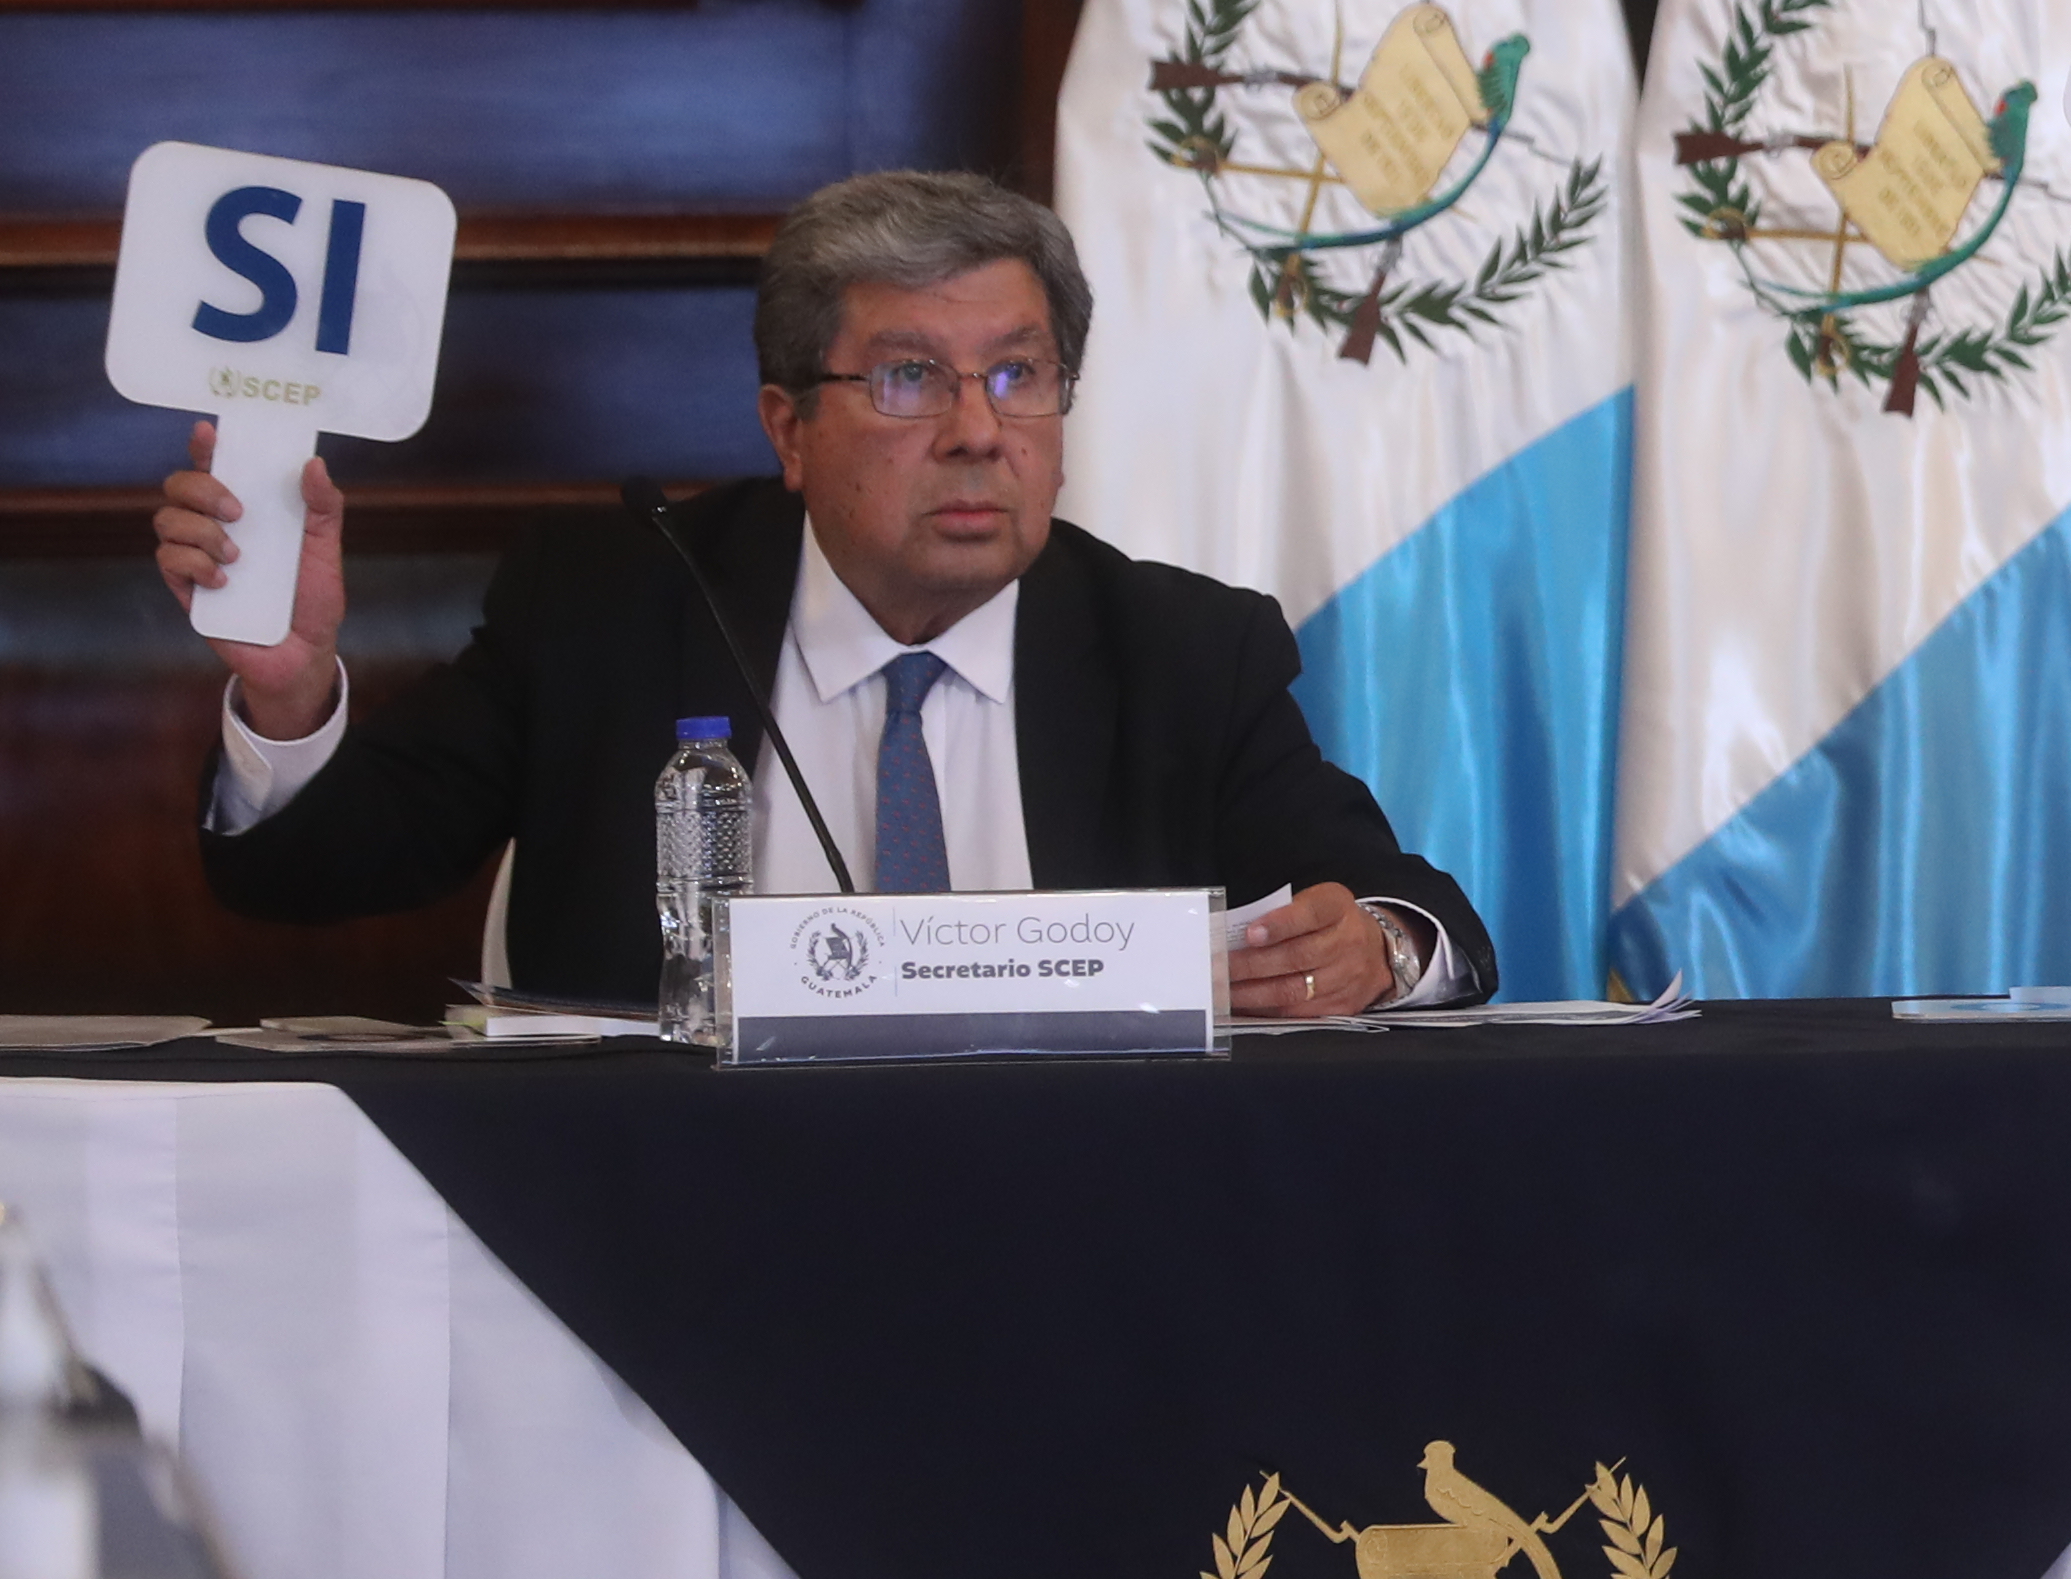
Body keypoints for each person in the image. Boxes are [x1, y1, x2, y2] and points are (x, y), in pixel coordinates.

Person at [156, 170, 1488, 1016]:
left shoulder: (1180, 650)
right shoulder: (617, 609)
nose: (979, 430)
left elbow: (1420, 915)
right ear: (788, 429)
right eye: (908, 378)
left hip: (1085, 1236)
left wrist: (1377, 948)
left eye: (1019, 375)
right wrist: (286, 696)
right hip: (666, 1246)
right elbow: (319, 874)